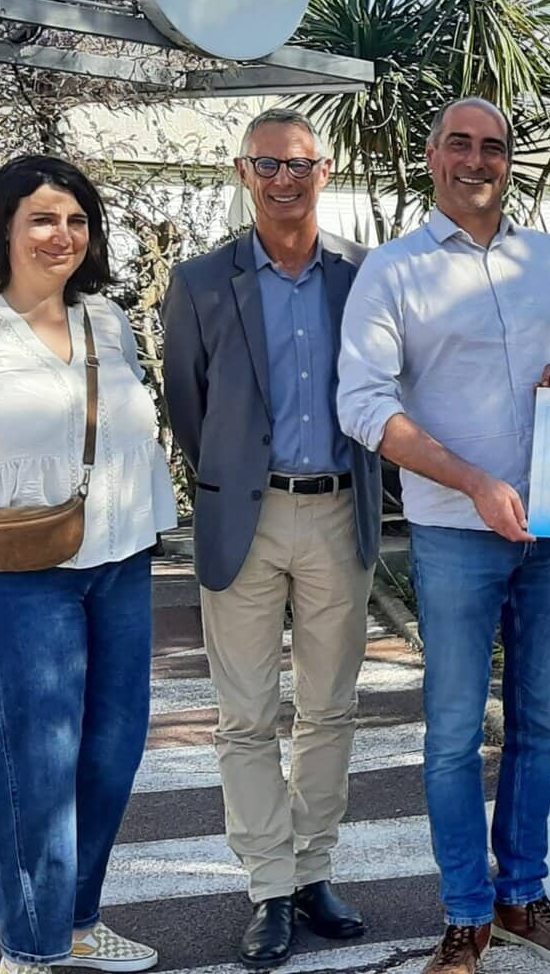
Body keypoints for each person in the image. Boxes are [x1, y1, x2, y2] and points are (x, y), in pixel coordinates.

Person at [336, 98, 550, 974]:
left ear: (508, 164)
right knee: (453, 733)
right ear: (432, 157)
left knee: (539, 725)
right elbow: (364, 406)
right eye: (459, 143)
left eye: (493, 147)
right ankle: (465, 913)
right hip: (455, 532)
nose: (477, 160)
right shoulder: (393, 271)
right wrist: (474, 483)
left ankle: (521, 895)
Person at [0, 155, 177, 974]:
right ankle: (31, 949)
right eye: (43, 218)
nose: (62, 235)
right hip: (15, 580)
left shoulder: (105, 323)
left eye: (77, 220)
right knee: (29, 768)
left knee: (110, 754)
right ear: (3, 228)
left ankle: (77, 921)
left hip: (118, 564)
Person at [161, 108, 383, 968]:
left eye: (299, 165)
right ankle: (266, 886)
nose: (284, 180)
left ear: (323, 173)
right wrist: (228, 482)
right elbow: (190, 406)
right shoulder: (201, 282)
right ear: (244, 173)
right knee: (245, 716)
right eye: (267, 165)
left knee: (330, 708)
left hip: (337, 513)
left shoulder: (361, 279)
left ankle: (312, 872)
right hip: (243, 520)